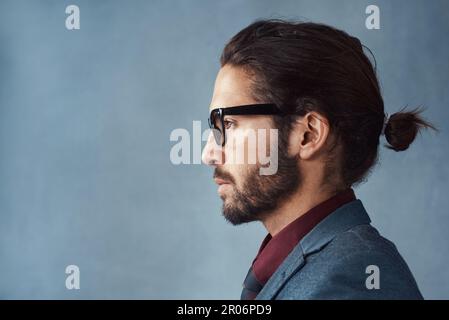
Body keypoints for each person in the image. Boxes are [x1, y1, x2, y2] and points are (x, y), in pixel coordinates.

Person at [202, 19, 435, 299]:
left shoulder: (353, 284)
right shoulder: (308, 265)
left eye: (228, 125)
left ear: (308, 135)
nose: (208, 154)